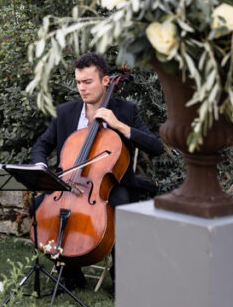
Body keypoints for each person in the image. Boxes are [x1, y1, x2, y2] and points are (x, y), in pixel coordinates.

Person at [30, 52, 164, 291]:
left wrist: (120, 126)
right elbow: (41, 145)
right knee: (39, 206)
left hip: (112, 185)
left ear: (105, 81)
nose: (82, 88)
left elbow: (156, 147)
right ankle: (69, 272)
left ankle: (120, 277)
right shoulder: (65, 113)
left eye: (88, 82)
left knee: (120, 206)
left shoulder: (126, 111)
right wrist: (41, 166)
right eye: (78, 82)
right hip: (71, 183)